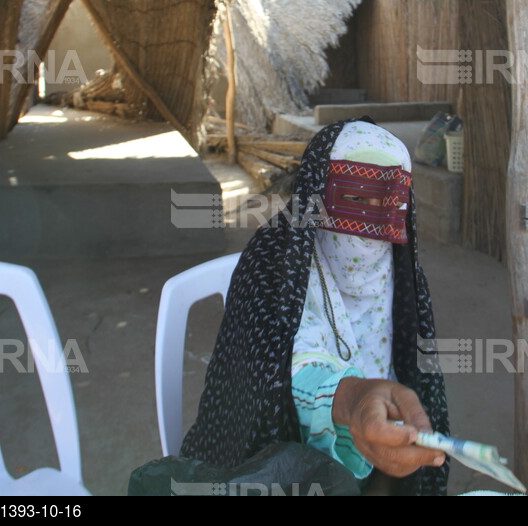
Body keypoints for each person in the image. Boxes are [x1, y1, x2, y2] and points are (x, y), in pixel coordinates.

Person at [181, 117, 449, 495]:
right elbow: (278, 369)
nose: (368, 226)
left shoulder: (403, 274)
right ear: (318, 191)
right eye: (355, 198)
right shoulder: (274, 260)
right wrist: (351, 399)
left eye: (387, 203)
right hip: (291, 459)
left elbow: (416, 369)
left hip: (384, 444)